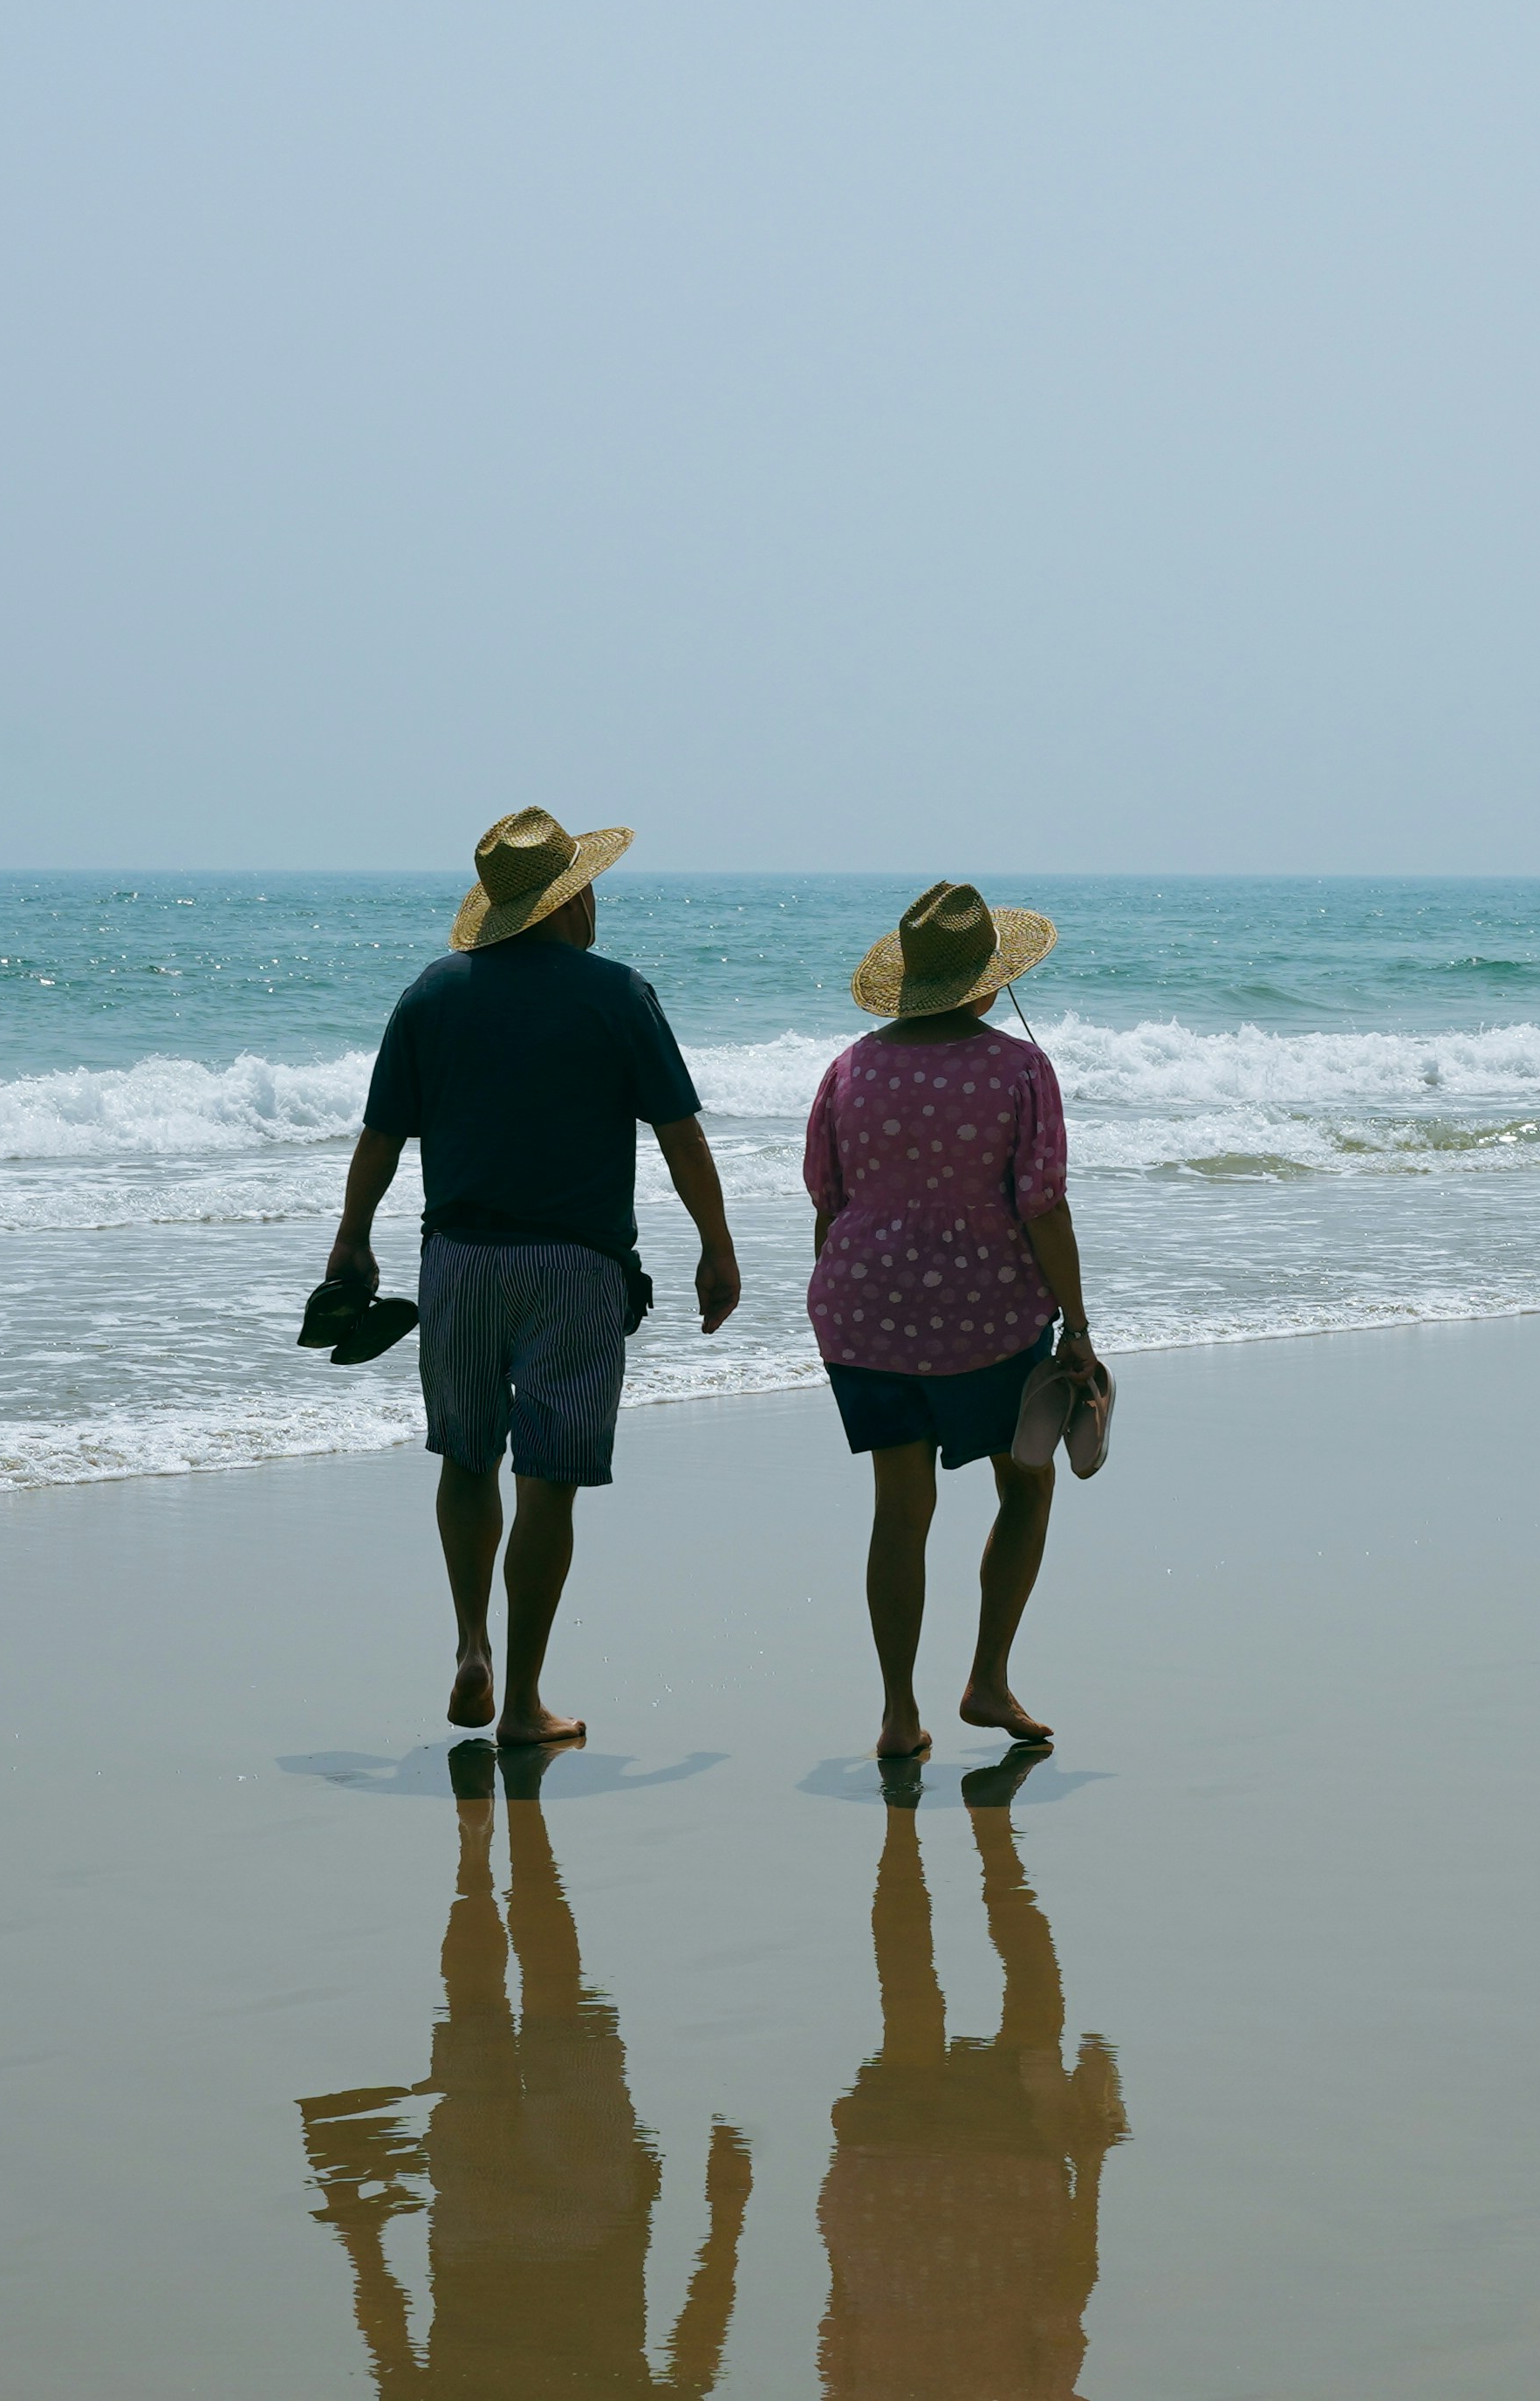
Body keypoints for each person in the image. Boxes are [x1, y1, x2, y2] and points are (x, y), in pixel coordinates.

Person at [330, 809, 743, 1745]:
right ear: (573, 895)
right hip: (577, 1264)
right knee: (547, 1478)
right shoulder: (617, 994)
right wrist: (716, 1246)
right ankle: (521, 1700)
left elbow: (381, 1136)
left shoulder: (432, 995)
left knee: (465, 1456)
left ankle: (470, 1644)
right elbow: (679, 1134)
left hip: (461, 1260)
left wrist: (351, 1239)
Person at [298, 1741, 752, 2398]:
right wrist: (359, 2230)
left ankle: (497, 1851)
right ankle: (475, 1866)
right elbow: (390, 2348)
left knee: (557, 2000)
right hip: (475, 2234)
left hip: (587, 2221)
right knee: (474, 2012)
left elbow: (697, 2353)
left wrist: (727, 2214)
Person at [804, 882, 1094, 1760]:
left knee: (901, 1508)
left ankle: (898, 1713)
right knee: (1027, 1484)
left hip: (863, 1314)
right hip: (990, 1320)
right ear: (988, 979)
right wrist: (1076, 1321)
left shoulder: (851, 1065)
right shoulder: (1017, 1069)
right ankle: (989, 1678)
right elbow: (1042, 1204)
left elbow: (828, 1198)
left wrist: (852, 1284)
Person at [816, 1755, 1124, 2401]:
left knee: (1034, 2013)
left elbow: (1065, 2298)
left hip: (1001, 2177)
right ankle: (910, 1835)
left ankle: (993, 1840)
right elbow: (836, 2330)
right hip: (881, 2193)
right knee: (908, 2007)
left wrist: (1090, 2159)